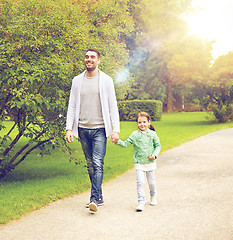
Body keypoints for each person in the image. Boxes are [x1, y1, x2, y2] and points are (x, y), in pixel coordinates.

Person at [65, 49, 120, 213]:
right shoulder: (76, 81)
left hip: (100, 130)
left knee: (97, 163)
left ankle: (94, 199)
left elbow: (112, 106)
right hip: (82, 129)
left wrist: (115, 129)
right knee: (90, 165)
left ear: (98, 60)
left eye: (93, 57)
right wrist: (69, 128)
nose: (89, 59)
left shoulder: (106, 80)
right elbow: (72, 105)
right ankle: (99, 195)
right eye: (87, 57)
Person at [112, 112, 161, 212]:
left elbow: (158, 146)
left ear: (148, 122)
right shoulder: (135, 135)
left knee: (151, 182)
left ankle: (153, 195)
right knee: (140, 182)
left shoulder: (152, 134)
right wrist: (117, 141)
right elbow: (126, 143)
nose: (142, 124)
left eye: (144, 122)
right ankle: (141, 201)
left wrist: (155, 155)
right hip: (139, 162)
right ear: (137, 123)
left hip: (150, 162)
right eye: (139, 122)